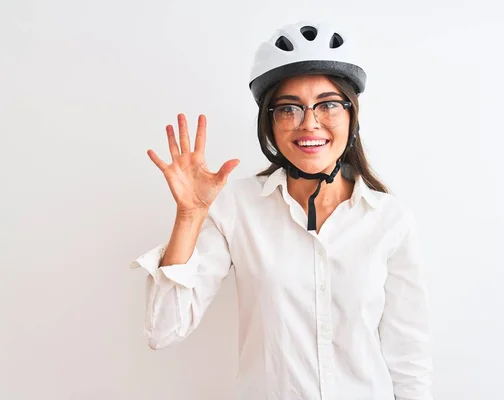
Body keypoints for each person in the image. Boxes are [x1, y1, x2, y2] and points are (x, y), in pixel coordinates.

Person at [130, 21, 433, 400]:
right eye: (289, 108)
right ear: (269, 124)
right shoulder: (237, 207)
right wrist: (189, 217)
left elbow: (409, 357)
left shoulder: (389, 218)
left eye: (327, 104)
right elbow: (163, 331)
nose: (310, 123)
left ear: (351, 114)